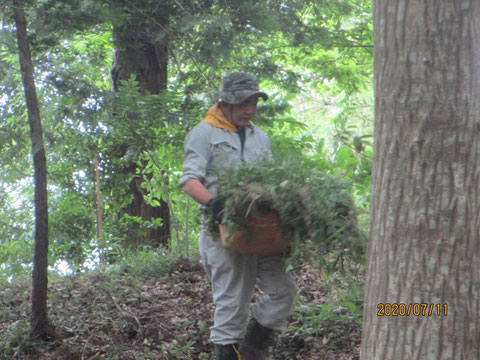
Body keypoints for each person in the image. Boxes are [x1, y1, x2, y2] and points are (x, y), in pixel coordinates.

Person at [180, 72, 297, 360]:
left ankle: (252, 350)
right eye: (245, 103)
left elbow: (269, 181)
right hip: (223, 233)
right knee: (232, 307)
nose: (250, 109)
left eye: (254, 102)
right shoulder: (204, 133)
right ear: (227, 102)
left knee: (283, 292)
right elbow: (189, 180)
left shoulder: (260, 137)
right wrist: (214, 203)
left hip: (261, 231)